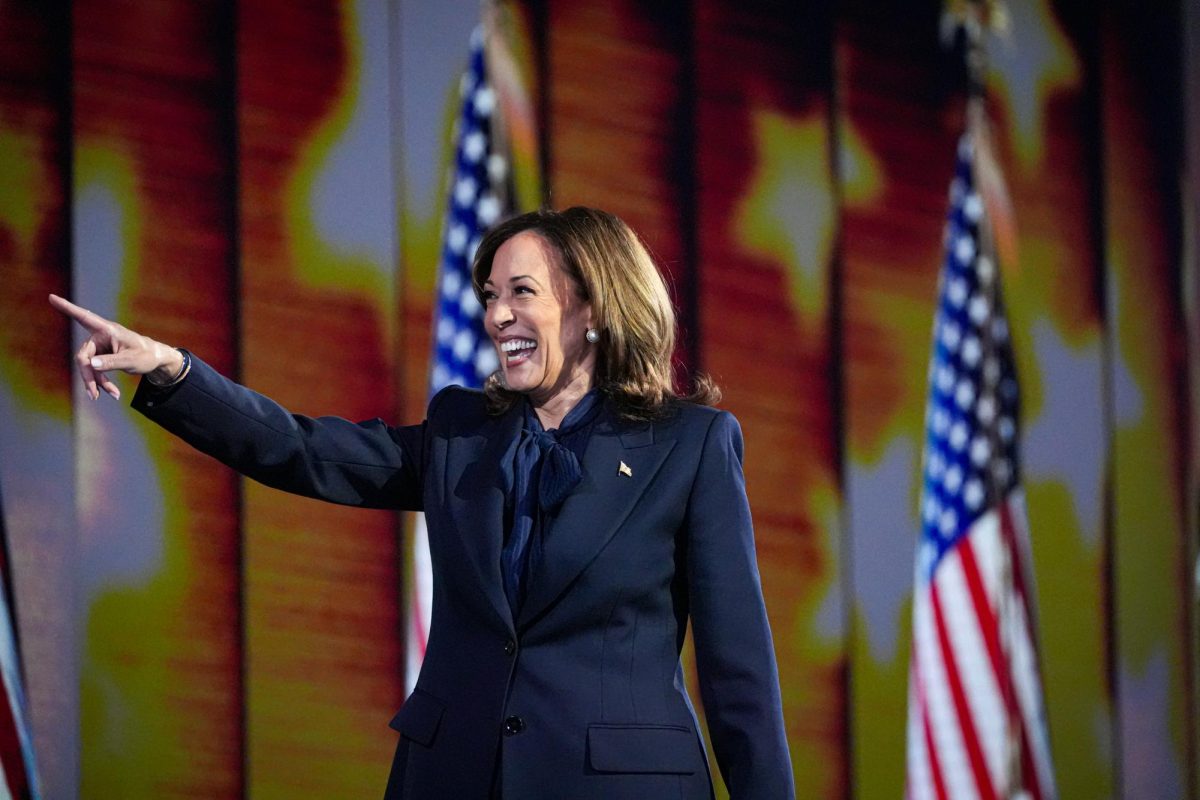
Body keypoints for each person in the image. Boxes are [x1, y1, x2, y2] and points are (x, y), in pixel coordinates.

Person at [50, 206, 794, 799]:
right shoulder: (461, 434)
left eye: (521, 292)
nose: (497, 314)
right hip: (453, 775)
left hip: (616, 784)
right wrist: (174, 372)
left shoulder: (689, 445)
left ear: (591, 306)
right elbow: (306, 451)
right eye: (490, 296)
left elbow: (739, 674)